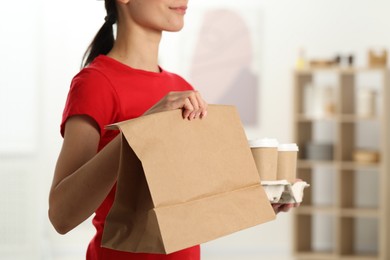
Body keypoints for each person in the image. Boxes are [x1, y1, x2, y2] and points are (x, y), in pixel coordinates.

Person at [48, 0, 295, 259]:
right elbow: (61, 216)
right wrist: (142, 130)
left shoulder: (181, 87)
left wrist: (262, 200)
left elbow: (191, 207)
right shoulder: (95, 84)